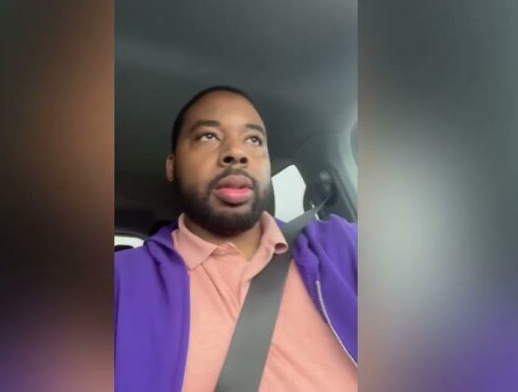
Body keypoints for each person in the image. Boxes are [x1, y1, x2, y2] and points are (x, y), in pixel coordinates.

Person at [114, 86, 358, 391]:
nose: (237, 153)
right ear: (172, 166)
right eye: (209, 136)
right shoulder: (121, 282)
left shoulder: (343, 244)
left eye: (254, 140)